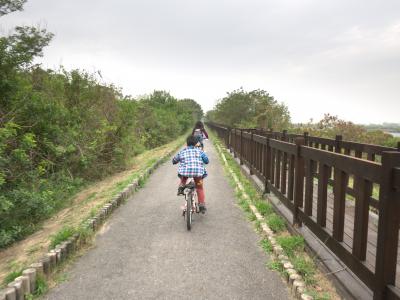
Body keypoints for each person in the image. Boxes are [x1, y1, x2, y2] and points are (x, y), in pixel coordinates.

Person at [172, 135, 209, 213]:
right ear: (196, 144)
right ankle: (201, 204)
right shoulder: (200, 151)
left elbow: (174, 160)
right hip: (198, 174)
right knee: (199, 188)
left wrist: (175, 161)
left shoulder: (182, 151)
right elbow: (206, 160)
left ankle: (181, 186)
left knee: (184, 175)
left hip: (185, 172)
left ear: (186, 143)